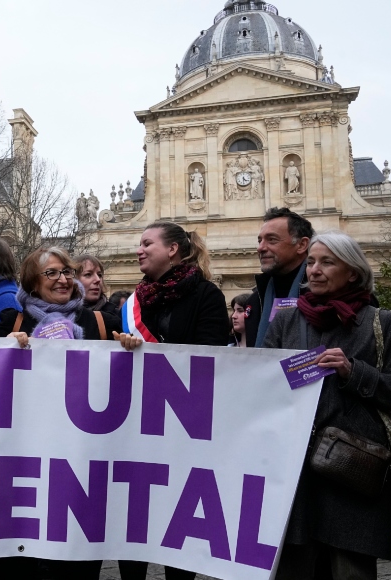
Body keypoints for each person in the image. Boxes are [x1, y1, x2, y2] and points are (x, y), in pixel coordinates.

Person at [262, 231, 391, 579]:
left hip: (353, 474)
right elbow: (261, 384)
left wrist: (353, 371)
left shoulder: (380, 321)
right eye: (311, 262)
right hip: (296, 476)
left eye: (327, 262)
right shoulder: (286, 321)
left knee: (350, 571)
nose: (314, 270)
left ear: (353, 272)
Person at [0, 246, 117, 579]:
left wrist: (130, 349)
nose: (63, 279)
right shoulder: (10, 323)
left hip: (81, 461)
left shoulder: (101, 322)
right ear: (32, 282)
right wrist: (3, 348)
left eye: (67, 272)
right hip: (26, 460)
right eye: (52, 273)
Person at [114, 222, 230, 580]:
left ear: (173, 250)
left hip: (183, 429)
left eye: (147, 243)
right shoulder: (136, 301)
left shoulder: (206, 296)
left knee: (181, 527)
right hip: (139, 429)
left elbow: (210, 359)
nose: (139, 250)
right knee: (133, 524)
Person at [246, 207, 314, 347]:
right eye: (260, 241)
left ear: (301, 245)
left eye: (272, 240)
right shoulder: (255, 300)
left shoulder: (323, 295)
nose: (260, 248)